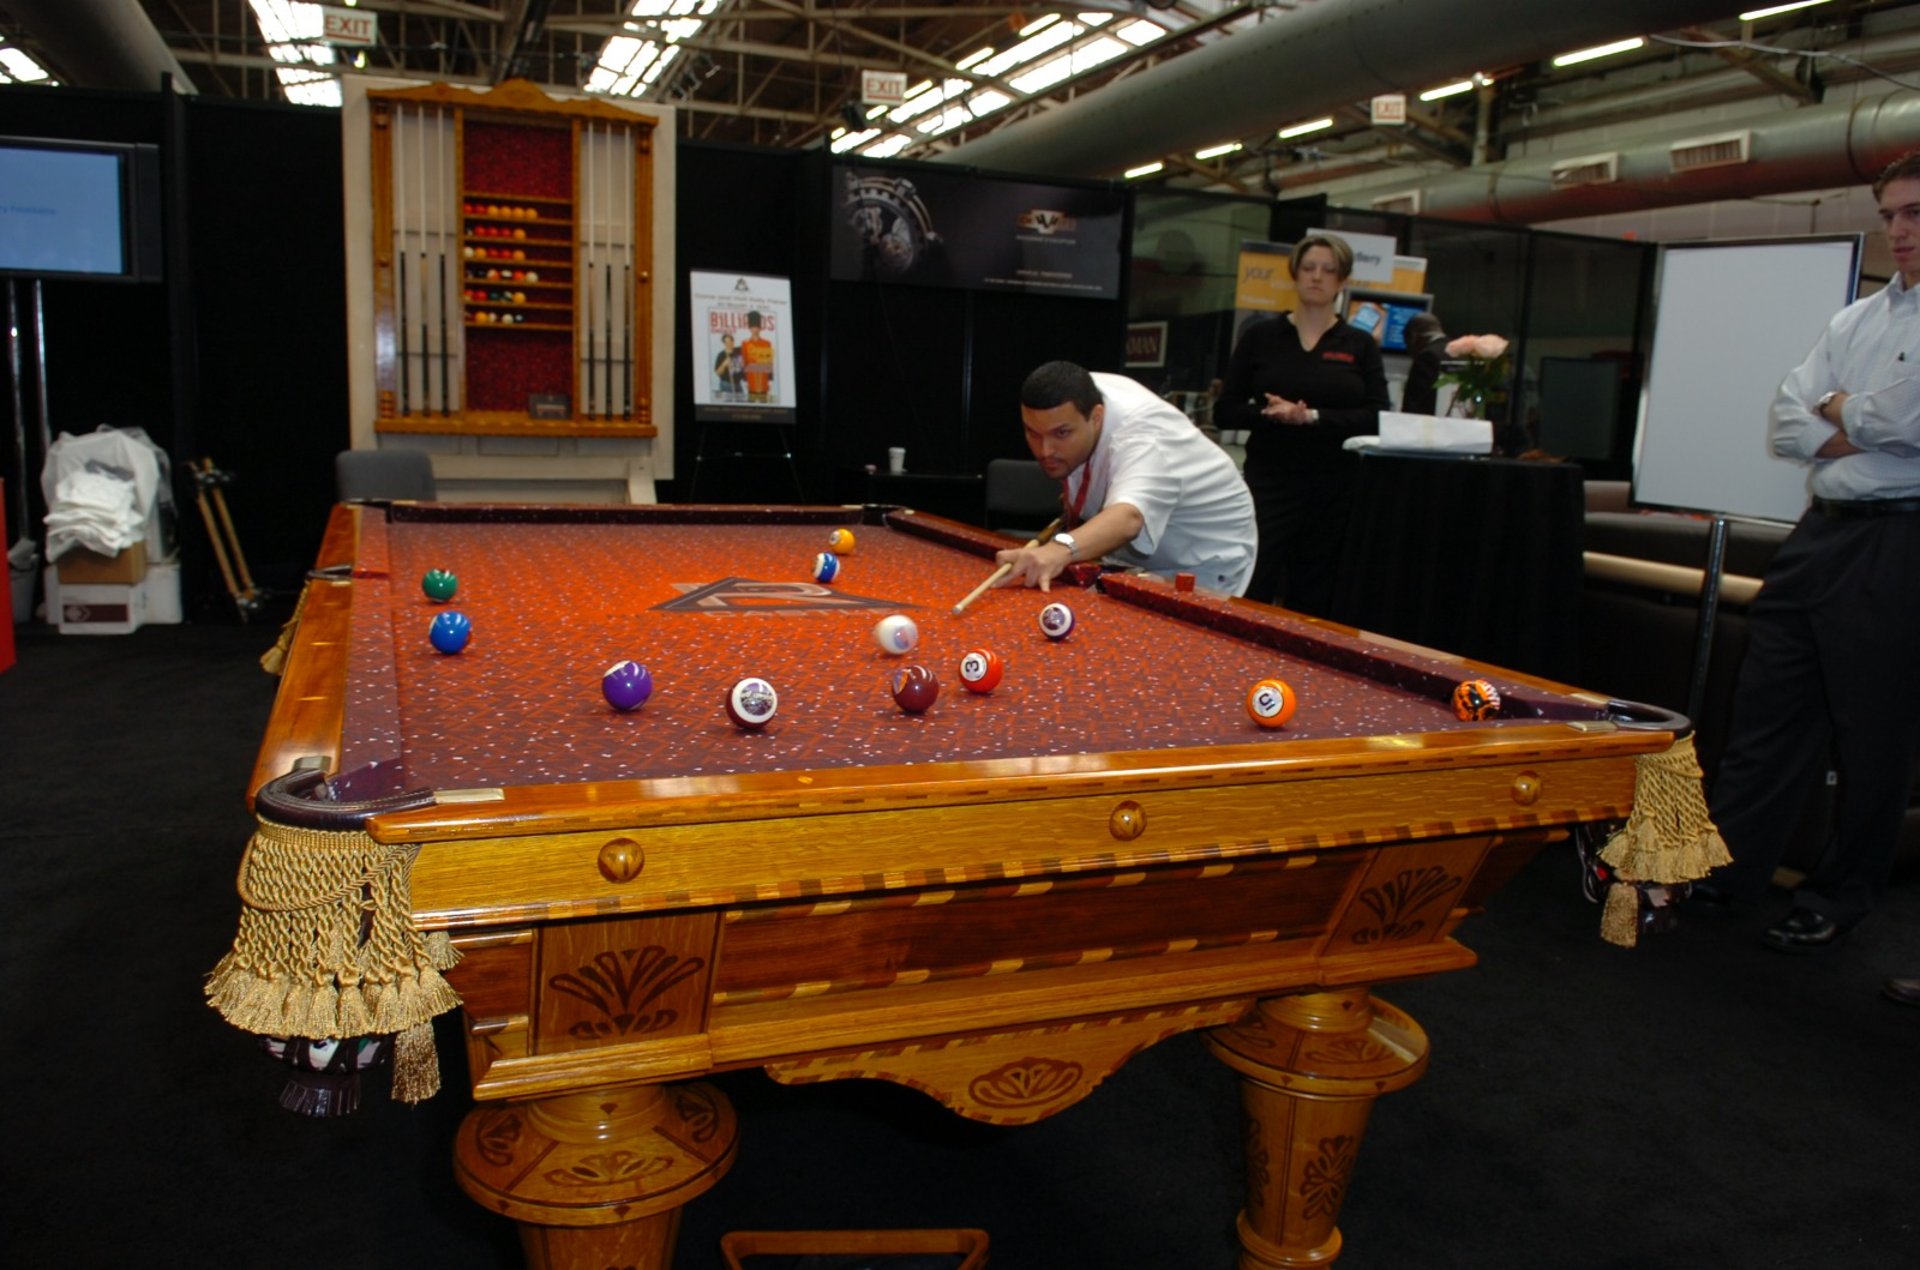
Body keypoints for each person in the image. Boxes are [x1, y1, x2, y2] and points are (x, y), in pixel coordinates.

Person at [1692, 150, 1920, 967]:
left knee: (1873, 734)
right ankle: (1725, 874)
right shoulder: (1856, 321)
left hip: (1901, 536)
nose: (1897, 230)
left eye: (1915, 213)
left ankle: (1839, 896)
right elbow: (1790, 422)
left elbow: (1903, 424)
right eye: (1890, 213)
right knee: (1767, 710)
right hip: (1822, 529)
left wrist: (1846, 414)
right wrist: (1856, 417)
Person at [1213, 234, 1391, 615]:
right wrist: (1268, 413)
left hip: (1335, 486)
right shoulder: (1260, 337)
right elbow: (1224, 411)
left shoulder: (1359, 344)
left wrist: (1311, 417)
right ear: (1294, 275)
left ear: (1342, 282)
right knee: (1255, 580)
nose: (1317, 277)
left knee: (1317, 590)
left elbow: (1378, 415)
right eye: (1309, 268)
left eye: (1328, 270)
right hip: (1270, 482)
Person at [993, 361, 1257, 596]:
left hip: (1204, 560)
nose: (1044, 450)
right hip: (1138, 559)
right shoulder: (1075, 391)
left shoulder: (1144, 438)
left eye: (1061, 433)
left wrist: (1058, 550)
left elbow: (1129, 518)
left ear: (1096, 417)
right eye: (1033, 433)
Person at [1398, 311, 1449, 415]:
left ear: (1414, 337)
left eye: (1407, 345)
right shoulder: (1459, 350)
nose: (1410, 353)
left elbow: (1414, 404)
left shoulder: (1426, 357)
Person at [742, 311, 775, 402]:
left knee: (764, 406)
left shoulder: (767, 343)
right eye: (752, 327)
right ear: (750, 328)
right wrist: (745, 380)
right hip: (751, 380)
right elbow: (745, 363)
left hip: (763, 380)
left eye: (756, 327)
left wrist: (770, 380)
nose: (754, 329)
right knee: (751, 406)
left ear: (759, 328)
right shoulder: (745, 343)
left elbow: (769, 363)